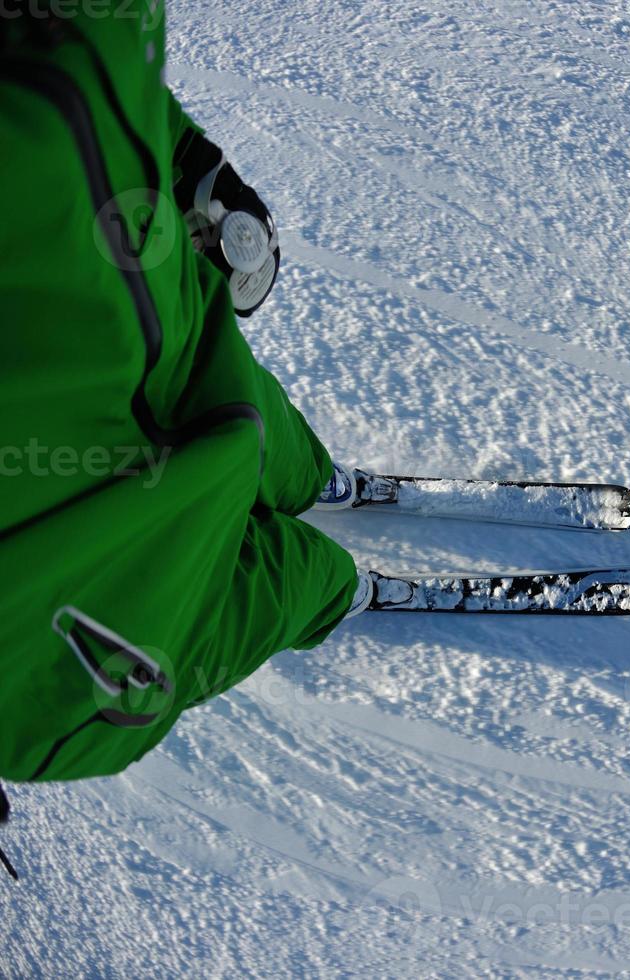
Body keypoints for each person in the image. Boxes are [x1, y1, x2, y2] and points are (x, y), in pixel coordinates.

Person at [0, 2, 371, 788]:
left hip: (179, 335)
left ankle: (315, 490)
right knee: (279, 580)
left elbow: (95, 74)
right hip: (74, 540)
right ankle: (341, 581)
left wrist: (182, 158)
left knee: (264, 436)